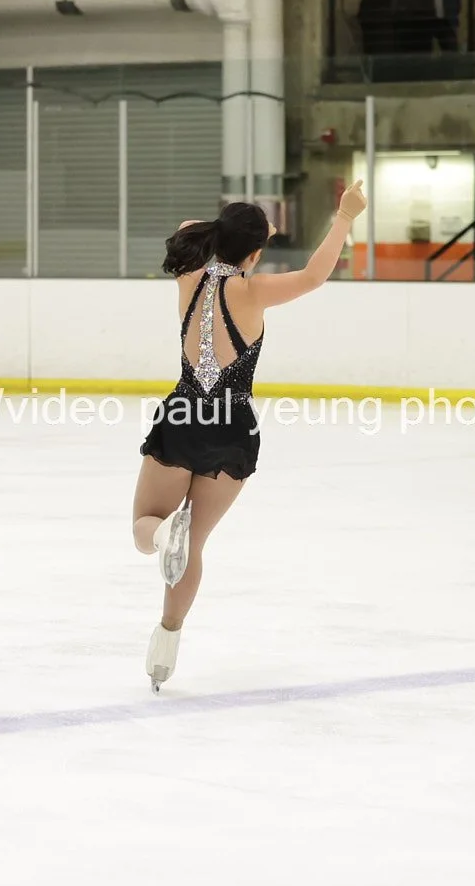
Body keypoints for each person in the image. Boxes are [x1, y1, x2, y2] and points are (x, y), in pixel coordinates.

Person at [132, 183, 369, 691]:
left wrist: (240, 230)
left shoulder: (189, 276)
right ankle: (167, 639)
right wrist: (345, 218)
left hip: (184, 417)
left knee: (143, 530)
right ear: (257, 252)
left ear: (218, 237)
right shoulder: (255, 292)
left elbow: (187, 229)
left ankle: (163, 535)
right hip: (234, 429)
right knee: (194, 546)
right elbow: (314, 275)